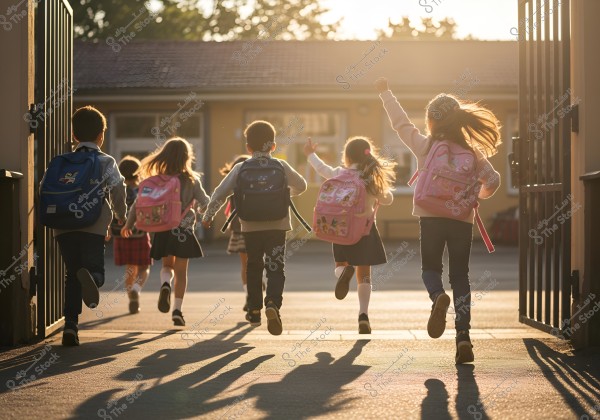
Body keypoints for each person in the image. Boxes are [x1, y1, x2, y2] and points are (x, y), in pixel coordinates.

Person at [375, 76, 501, 363]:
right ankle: (463, 338)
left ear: (431, 121)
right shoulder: (473, 153)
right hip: (462, 219)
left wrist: (386, 92)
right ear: (459, 121)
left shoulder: (426, 146)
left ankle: (437, 297)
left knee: (430, 268)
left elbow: (401, 124)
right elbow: (493, 180)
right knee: (461, 276)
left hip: (430, 216)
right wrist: (476, 195)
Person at [202, 120, 307, 336]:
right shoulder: (280, 166)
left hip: (250, 225)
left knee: (253, 266)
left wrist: (208, 215)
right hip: (278, 225)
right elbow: (302, 185)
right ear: (273, 146)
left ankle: (254, 309)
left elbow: (220, 193)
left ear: (248, 147)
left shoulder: (241, 168)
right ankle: (273, 304)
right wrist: (284, 195)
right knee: (276, 267)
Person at [304, 136, 395, 334]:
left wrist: (310, 154)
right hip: (365, 232)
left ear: (346, 156)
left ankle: (343, 273)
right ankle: (363, 315)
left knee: (340, 265)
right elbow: (387, 199)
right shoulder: (369, 178)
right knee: (365, 276)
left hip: (341, 228)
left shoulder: (339, 173)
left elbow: (322, 169)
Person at [54, 105, 127, 346]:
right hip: (94, 223)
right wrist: (120, 215)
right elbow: (118, 189)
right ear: (101, 135)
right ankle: (93, 280)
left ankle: (70, 327)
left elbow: (47, 185)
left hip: (64, 225)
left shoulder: (61, 161)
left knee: (71, 274)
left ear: (74, 136)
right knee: (95, 269)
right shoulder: (105, 161)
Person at [121, 137, 210, 327]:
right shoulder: (192, 180)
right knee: (182, 272)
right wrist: (206, 215)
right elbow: (205, 201)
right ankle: (177, 310)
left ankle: (165, 285)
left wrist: (129, 225)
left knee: (167, 267)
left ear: (165, 156)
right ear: (187, 157)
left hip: (163, 229)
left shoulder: (156, 180)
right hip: (184, 230)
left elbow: (138, 204)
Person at [110, 156, 151, 314]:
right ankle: (136, 288)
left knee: (130, 268)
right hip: (140, 233)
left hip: (121, 234)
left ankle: (131, 298)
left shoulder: (117, 188)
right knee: (144, 267)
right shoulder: (143, 189)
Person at [219, 155, 252, 312]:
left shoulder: (233, 185)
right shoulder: (257, 182)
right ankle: (258, 284)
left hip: (239, 229)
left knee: (245, 265)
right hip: (258, 228)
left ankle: (248, 295)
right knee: (258, 262)